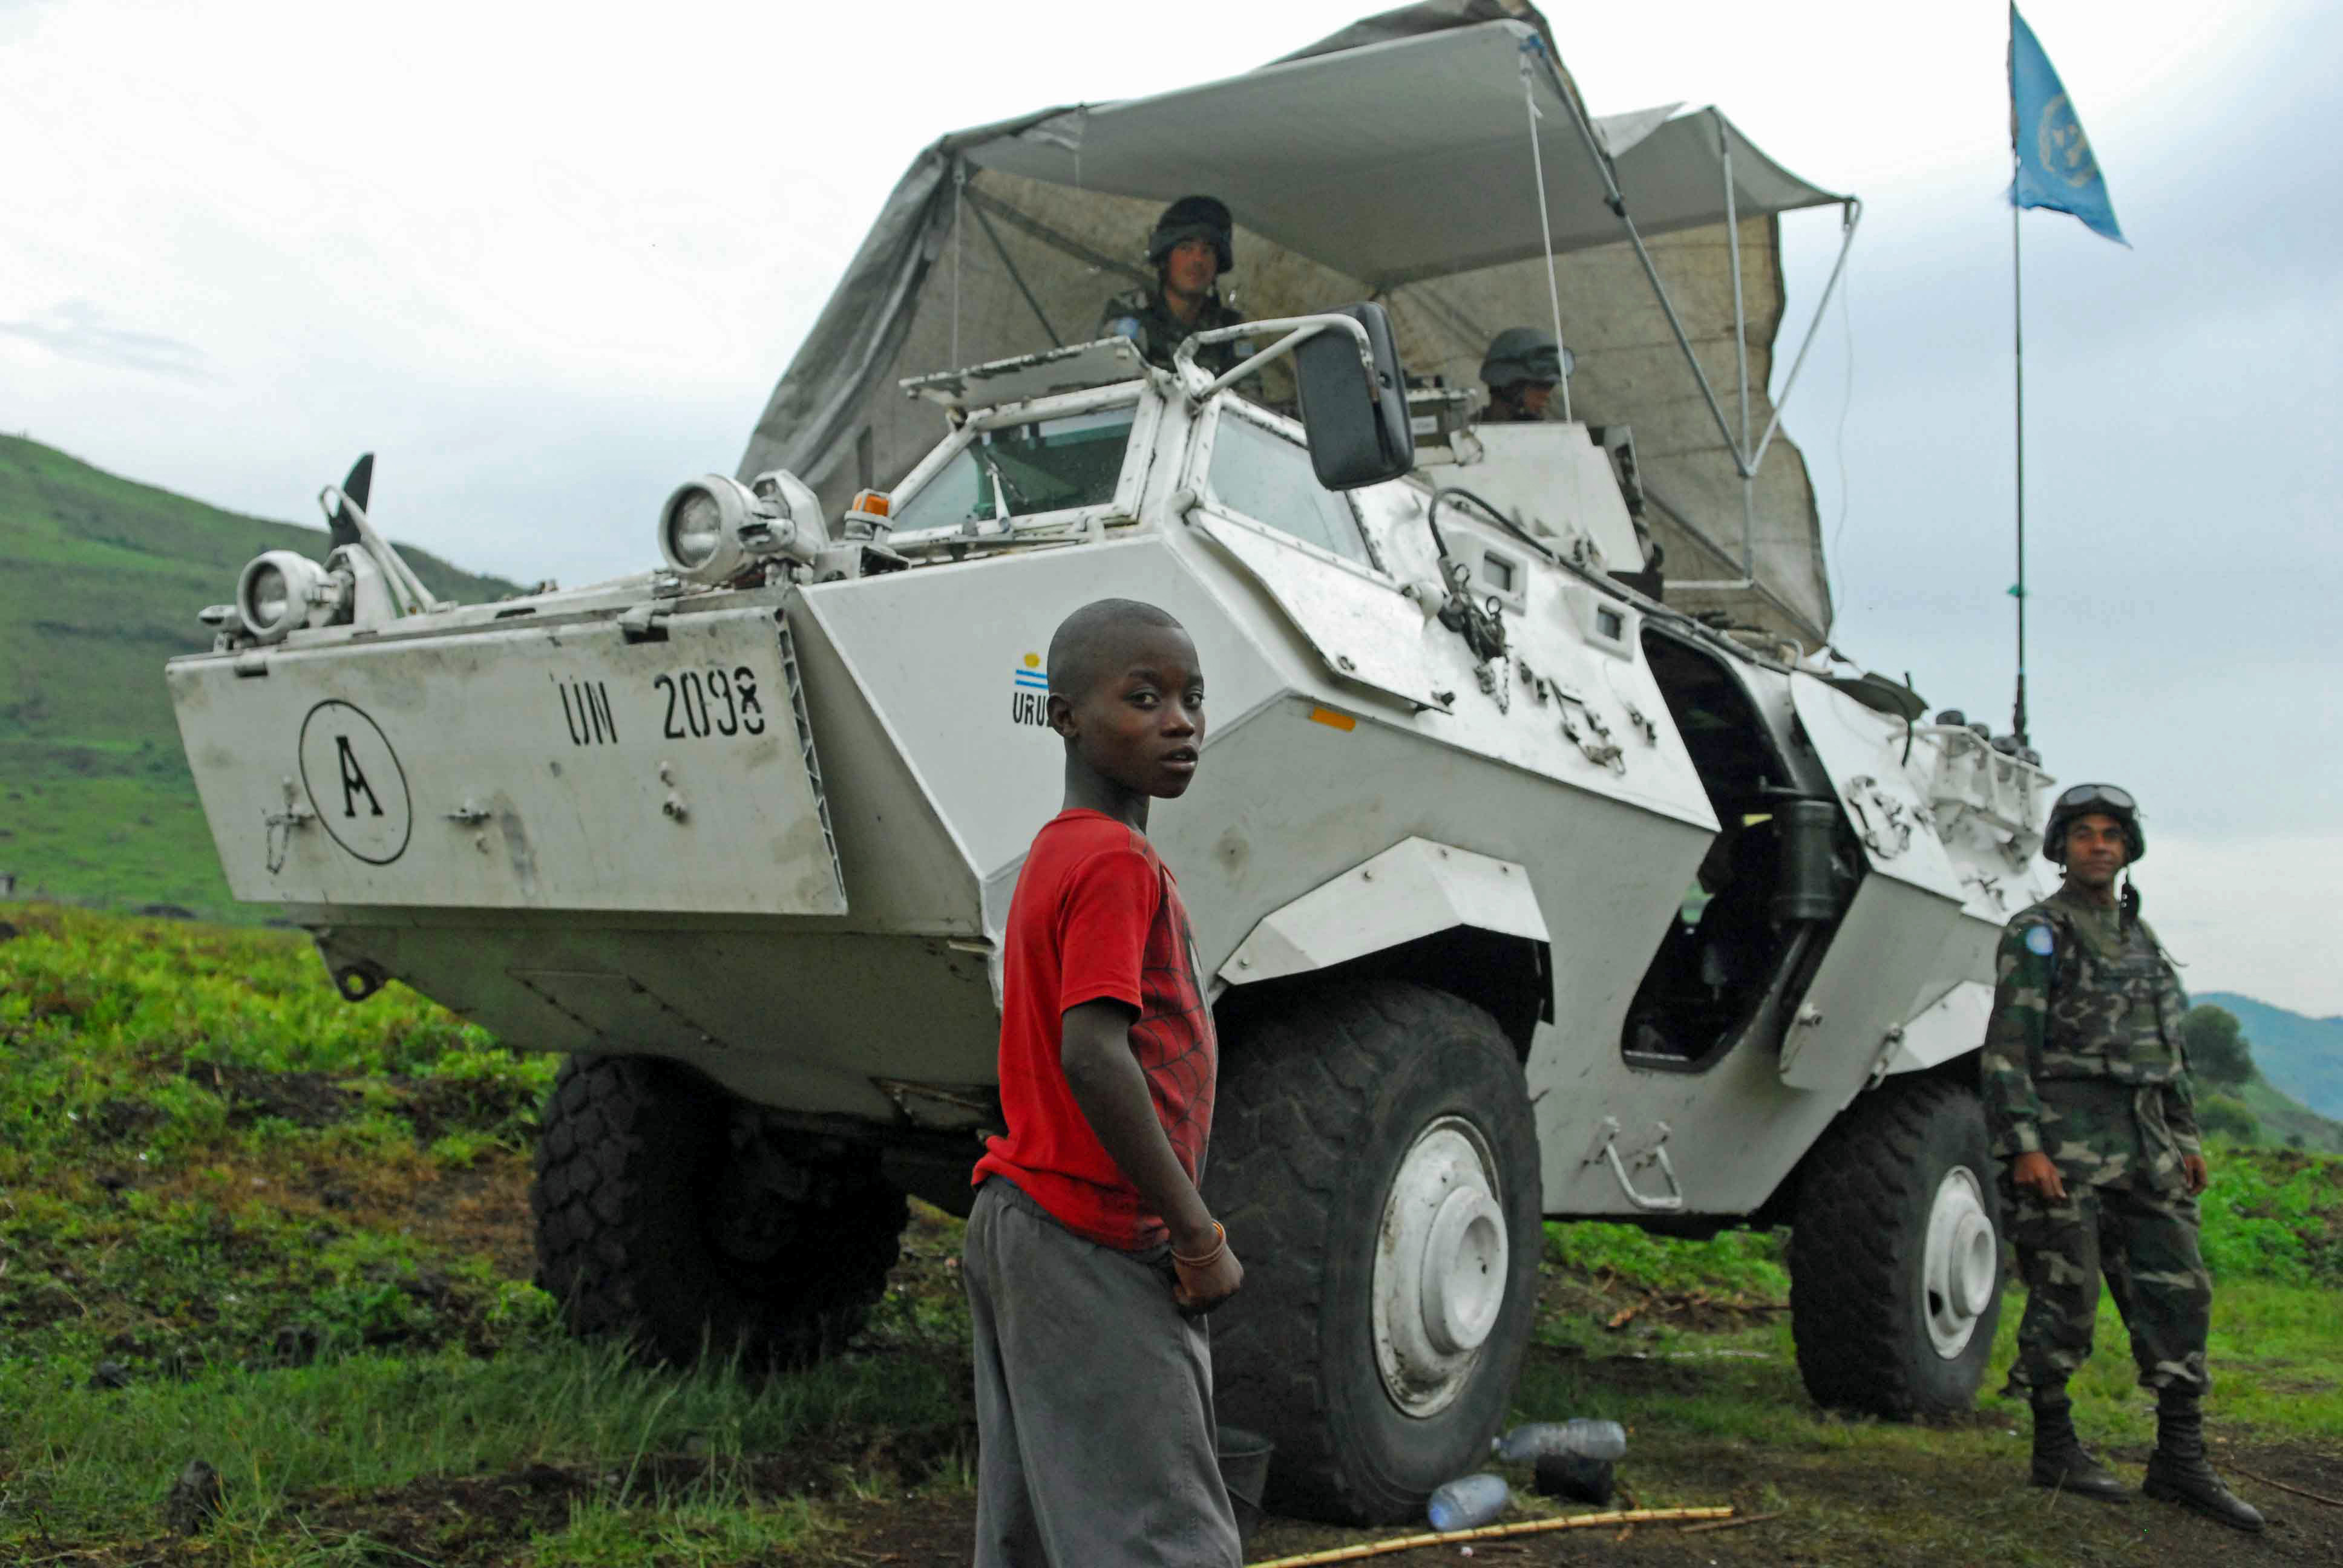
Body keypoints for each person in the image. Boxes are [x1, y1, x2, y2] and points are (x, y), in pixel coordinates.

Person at [965, 597, 1244, 1567]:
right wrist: (1196, 1232)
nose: (1181, 721)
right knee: (1161, 1538)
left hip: (1018, 1219)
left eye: (1192, 699)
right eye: (1144, 697)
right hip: (1093, 1236)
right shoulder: (1117, 862)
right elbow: (1094, 1052)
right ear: (1065, 717)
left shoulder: (1055, 852)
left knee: (1036, 1522)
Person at [1980, 783, 2263, 1531]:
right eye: (2083, 834)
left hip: (2144, 1144)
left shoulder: (2143, 939)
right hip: (2064, 1140)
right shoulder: (2038, 932)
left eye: (2110, 834)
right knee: (2062, 1296)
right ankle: (2054, 1445)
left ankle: (2177, 1457)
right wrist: (2024, 1147)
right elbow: (2008, 1047)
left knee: (2178, 1290)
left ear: (2127, 848)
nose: (2098, 844)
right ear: (2061, 847)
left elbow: (2166, 1053)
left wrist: (2185, 1136)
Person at [1099, 195, 1251, 375]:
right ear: (1166, 259)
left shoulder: (1230, 329)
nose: (1197, 260)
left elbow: (1248, 394)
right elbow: (1112, 383)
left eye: (1207, 251)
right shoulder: (1131, 311)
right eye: (1186, 248)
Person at [1478, 327, 1568, 423]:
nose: (1546, 396)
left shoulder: (1554, 436)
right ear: (1509, 387)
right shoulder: (1465, 434)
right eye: (1539, 385)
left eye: (1550, 386)